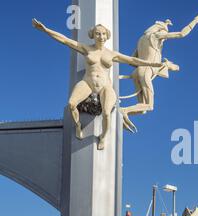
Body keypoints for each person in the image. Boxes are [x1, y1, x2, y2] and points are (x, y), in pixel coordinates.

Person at [32, 19, 162, 150]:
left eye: (103, 34)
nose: (101, 36)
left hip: (105, 86)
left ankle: (103, 137)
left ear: (107, 36)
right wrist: (45, 29)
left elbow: (132, 59)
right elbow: (65, 40)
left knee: (106, 113)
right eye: (98, 33)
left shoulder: (112, 54)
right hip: (88, 82)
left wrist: (151, 64)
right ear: (93, 35)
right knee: (71, 104)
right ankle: (78, 126)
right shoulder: (86, 49)